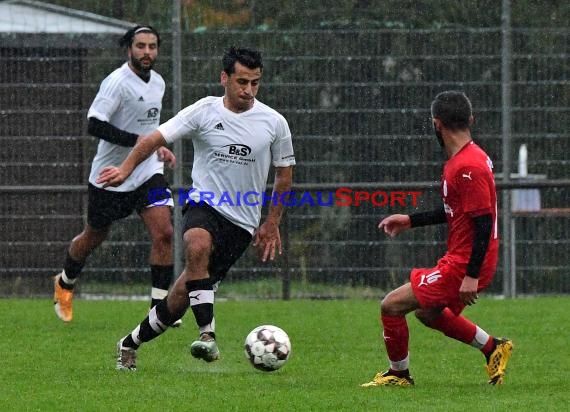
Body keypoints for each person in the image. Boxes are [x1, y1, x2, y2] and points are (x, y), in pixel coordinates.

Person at [96, 46, 295, 371]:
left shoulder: (275, 122)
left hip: (242, 223)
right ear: (224, 78)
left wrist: (272, 221)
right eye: (241, 81)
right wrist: (126, 169)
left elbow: (284, 174)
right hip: (204, 203)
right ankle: (208, 335)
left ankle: (129, 343)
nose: (248, 90)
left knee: (180, 295)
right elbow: (152, 140)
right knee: (196, 242)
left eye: (255, 83)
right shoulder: (203, 111)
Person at [361, 91, 513, 387]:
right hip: (467, 258)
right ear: (471, 120)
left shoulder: (467, 166)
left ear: (436, 123)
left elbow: (484, 223)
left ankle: (398, 375)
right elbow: (460, 212)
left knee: (390, 305)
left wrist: (469, 275)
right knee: (428, 313)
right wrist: (410, 220)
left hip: (465, 262)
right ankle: (493, 347)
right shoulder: (468, 159)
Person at [53, 25, 182, 326]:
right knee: (94, 236)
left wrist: (157, 147)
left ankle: (159, 308)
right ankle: (65, 281)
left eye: (152, 46)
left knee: (164, 232)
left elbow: (150, 128)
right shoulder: (116, 83)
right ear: (129, 49)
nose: (147, 52)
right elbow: (95, 124)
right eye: (141, 46)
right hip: (110, 175)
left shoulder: (159, 83)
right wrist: (138, 142)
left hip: (147, 170)